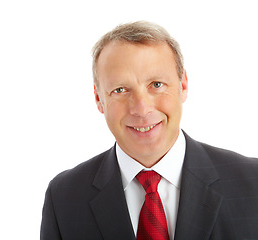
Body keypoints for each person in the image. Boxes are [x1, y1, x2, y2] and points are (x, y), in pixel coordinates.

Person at [40, 21, 258, 240]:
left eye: (156, 85)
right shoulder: (63, 198)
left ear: (183, 85)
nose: (142, 109)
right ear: (99, 99)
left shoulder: (252, 182)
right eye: (120, 90)